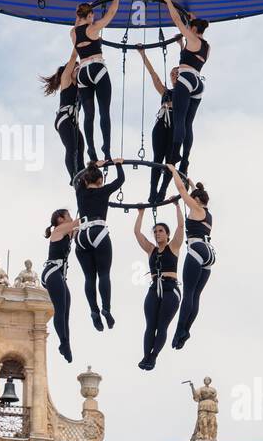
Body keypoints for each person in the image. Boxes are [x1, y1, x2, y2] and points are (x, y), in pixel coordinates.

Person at [71, 0, 124, 163]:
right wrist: (116, 0)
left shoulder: (73, 32)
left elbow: (78, 21)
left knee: (89, 115)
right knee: (104, 112)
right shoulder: (93, 29)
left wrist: (86, 10)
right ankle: (106, 150)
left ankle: (91, 148)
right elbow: (110, 14)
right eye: (92, 15)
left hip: (82, 73)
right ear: (89, 16)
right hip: (97, 69)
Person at [73, 158, 125, 331]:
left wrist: (95, 165)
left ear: (86, 180)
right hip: (98, 231)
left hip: (81, 234)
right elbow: (120, 180)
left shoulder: (80, 192)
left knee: (89, 277)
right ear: (100, 181)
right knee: (104, 274)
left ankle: (94, 311)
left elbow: (79, 178)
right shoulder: (104, 191)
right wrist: (118, 164)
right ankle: (106, 309)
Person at [133, 195, 183, 370]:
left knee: (162, 326)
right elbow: (137, 233)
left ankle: (153, 357)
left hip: (171, 289)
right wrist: (141, 212)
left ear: (167, 234)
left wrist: (177, 205)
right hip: (155, 287)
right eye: (155, 231)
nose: (157, 233)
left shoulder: (174, 246)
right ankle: (146, 356)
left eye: (161, 231)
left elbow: (181, 227)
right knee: (150, 326)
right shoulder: (150, 249)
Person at [167, 168, 215, 350]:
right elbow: (193, 192)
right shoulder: (206, 212)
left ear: (196, 200)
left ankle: (180, 330)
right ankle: (185, 330)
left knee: (188, 293)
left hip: (196, 249)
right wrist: (193, 184)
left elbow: (181, 190)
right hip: (209, 253)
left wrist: (174, 172)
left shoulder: (195, 207)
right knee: (196, 295)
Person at [161, 0, 210, 173]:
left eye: (190, 26)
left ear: (194, 29)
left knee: (179, 118)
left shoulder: (192, 36)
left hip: (186, 78)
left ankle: (174, 155)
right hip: (198, 82)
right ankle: (186, 160)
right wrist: (193, 19)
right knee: (188, 123)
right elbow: (190, 58)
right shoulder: (206, 46)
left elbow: (176, 20)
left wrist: (168, 3)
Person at [137, 46, 179, 204]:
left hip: (176, 124)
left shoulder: (185, 92)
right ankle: (152, 190)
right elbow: (153, 75)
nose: (174, 76)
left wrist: (181, 45)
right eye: (172, 74)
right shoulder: (166, 92)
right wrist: (143, 54)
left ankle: (163, 189)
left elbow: (190, 68)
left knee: (171, 160)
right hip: (162, 123)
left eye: (177, 73)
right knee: (157, 159)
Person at [41, 208, 81, 362]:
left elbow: (79, 229)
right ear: (60, 219)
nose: (71, 218)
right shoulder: (58, 230)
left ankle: (66, 345)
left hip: (59, 275)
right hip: (52, 272)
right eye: (68, 216)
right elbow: (79, 222)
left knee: (66, 313)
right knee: (60, 309)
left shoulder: (68, 232)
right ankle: (64, 343)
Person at [41, 48, 84, 183]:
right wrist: (79, 40)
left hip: (73, 122)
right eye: (76, 69)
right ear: (69, 70)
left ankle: (82, 176)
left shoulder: (81, 87)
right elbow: (73, 57)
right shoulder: (66, 79)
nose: (78, 71)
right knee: (71, 148)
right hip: (64, 119)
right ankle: (73, 177)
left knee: (81, 148)